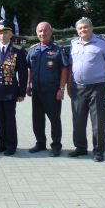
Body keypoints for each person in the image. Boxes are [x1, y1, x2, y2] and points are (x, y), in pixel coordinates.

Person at [67, 17, 105, 162]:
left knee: (97, 120)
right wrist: (69, 85)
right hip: (78, 86)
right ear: (77, 30)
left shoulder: (103, 42)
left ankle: (98, 151)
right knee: (78, 120)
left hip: (97, 86)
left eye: (85, 27)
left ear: (91, 28)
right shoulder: (73, 43)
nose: (83, 30)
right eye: (80, 28)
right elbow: (71, 67)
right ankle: (80, 147)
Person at [26, 22, 69, 157]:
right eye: (39, 31)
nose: (42, 34)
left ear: (51, 32)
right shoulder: (33, 50)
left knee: (54, 119)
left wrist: (61, 88)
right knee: (37, 119)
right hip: (37, 90)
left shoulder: (58, 49)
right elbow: (29, 68)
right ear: (36, 33)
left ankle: (56, 145)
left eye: (45, 31)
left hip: (52, 91)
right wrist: (28, 84)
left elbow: (64, 69)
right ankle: (40, 143)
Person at [0, 19, 28, 156]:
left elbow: (22, 74)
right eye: (0, 33)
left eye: (5, 33)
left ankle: (11, 145)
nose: (2, 36)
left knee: (10, 118)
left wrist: (21, 92)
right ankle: (1, 143)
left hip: (10, 90)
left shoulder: (18, 51)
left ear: (11, 34)